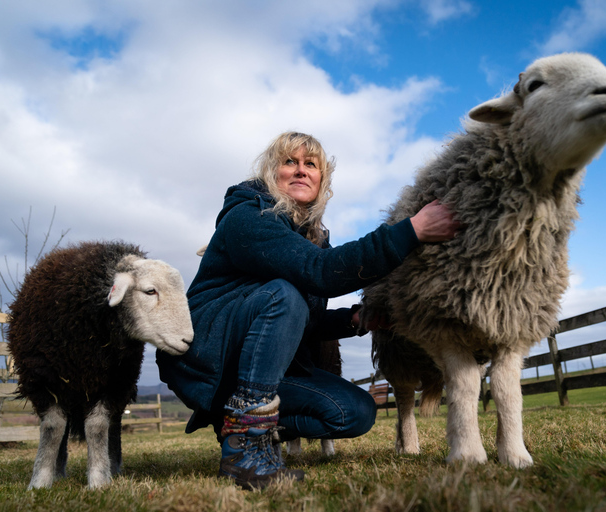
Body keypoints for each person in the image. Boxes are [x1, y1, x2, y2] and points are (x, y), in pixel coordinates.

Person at [157, 132, 460, 489]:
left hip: (266, 367)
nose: (301, 171)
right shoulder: (249, 215)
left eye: (311, 164)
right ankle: (245, 446)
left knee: (356, 412)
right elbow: (318, 274)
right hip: (211, 355)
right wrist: (412, 230)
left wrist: (353, 319)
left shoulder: (311, 236)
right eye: (290, 162)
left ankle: (234, 420)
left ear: (322, 180)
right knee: (283, 293)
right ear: (272, 172)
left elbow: (302, 323)